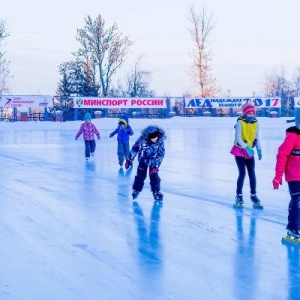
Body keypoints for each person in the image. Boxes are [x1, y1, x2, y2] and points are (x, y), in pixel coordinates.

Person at [273, 109, 300, 238]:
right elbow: (281, 156)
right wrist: (278, 176)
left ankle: (294, 225)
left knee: (297, 200)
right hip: (294, 176)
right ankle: (293, 229)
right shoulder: (292, 138)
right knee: (298, 199)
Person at [230, 102, 263, 207]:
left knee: (252, 173)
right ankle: (238, 195)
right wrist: (247, 148)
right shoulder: (240, 122)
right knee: (242, 173)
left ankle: (253, 195)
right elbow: (238, 138)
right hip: (240, 150)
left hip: (249, 152)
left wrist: (259, 149)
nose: (252, 115)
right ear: (245, 113)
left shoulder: (256, 122)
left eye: (253, 113)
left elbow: (256, 137)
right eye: (249, 113)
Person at [125, 125, 166, 201]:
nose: (155, 139)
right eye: (152, 137)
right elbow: (135, 149)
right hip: (143, 160)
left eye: (155, 136)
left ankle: (156, 192)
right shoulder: (142, 139)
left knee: (154, 177)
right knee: (140, 175)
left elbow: (160, 155)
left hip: (153, 162)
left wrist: (155, 166)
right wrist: (129, 160)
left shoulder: (160, 142)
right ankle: (136, 190)